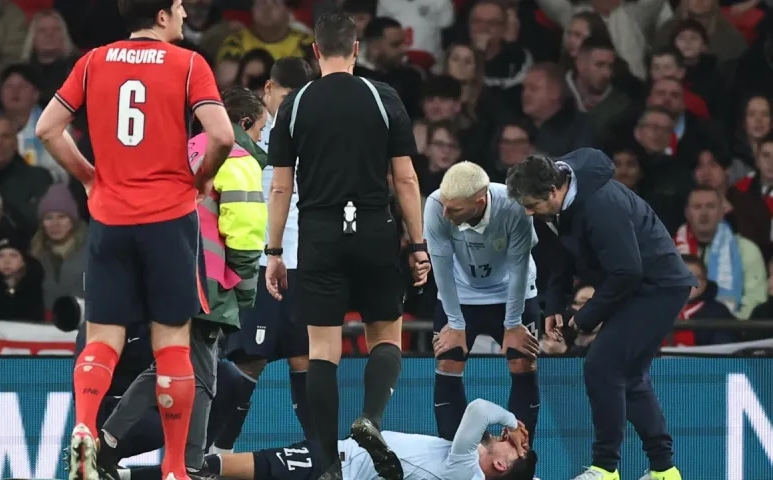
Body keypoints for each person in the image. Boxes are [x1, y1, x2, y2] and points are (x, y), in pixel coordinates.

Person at [34, 0, 235, 478]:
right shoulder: (189, 64)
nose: (186, 15)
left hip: (110, 220)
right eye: (181, 7)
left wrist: (87, 177)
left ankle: (84, 428)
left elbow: (46, 129)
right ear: (163, 15)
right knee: (171, 346)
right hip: (169, 218)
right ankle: (173, 467)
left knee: (103, 339)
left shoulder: (91, 62)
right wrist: (202, 178)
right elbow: (223, 136)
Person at [263, 11, 430, 480]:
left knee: (322, 350)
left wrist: (273, 253)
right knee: (385, 334)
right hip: (374, 230)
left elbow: (280, 187)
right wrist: (417, 244)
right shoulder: (383, 96)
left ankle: (329, 466)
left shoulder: (295, 104)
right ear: (356, 48)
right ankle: (371, 419)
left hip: (319, 236)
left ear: (315, 52)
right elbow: (405, 177)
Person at [95, 86, 270, 480]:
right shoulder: (238, 159)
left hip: (161, 270)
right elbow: (244, 233)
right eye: (260, 129)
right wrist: (244, 288)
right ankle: (187, 465)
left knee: (168, 364)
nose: (261, 139)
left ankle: (107, 443)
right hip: (203, 279)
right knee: (203, 377)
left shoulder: (182, 150)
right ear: (242, 124)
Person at [505, 149, 696, 480]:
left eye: (532, 205)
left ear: (552, 192)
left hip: (657, 286)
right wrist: (555, 304)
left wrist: (585, 317)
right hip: (639, 283)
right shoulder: (563, 194)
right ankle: (664, 470)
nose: (528, 211)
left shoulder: (599, 207)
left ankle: (605, 468)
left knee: (602, 364)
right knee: (628, 374)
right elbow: (566, 252)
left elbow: (628, 271)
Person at [213, 57, 316, 454]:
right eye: (286, 97)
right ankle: (216, 451)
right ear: (268, 90)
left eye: (299, 99)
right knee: (248, 361)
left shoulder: (314, 135)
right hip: (257, 265)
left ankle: (322, 454)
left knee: (305, 359)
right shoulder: (247, 133)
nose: (291, 107)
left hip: (303, 264)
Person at [121, 399, 538, 480]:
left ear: (499, 465)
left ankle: (123, 474)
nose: (507, 437)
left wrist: (512, 419)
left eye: (512, 446)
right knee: (225, 471)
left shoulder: (466, 470)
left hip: (344, 464)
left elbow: (479, 409)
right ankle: (126, 477)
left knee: (233, 469)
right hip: (342, 459)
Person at [423, 161, 542, 443]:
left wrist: (513, 323)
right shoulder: (435, 204)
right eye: (444, 205)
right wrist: (455, 322)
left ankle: (518, 456)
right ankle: (454, 456)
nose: (445, 213)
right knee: (448, 363)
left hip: (512, 291)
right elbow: (440, 265)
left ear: (479, 202)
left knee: (523, 364)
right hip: (461, 293)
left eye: (455, 209)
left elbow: (519, 267)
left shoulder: (513, 206)